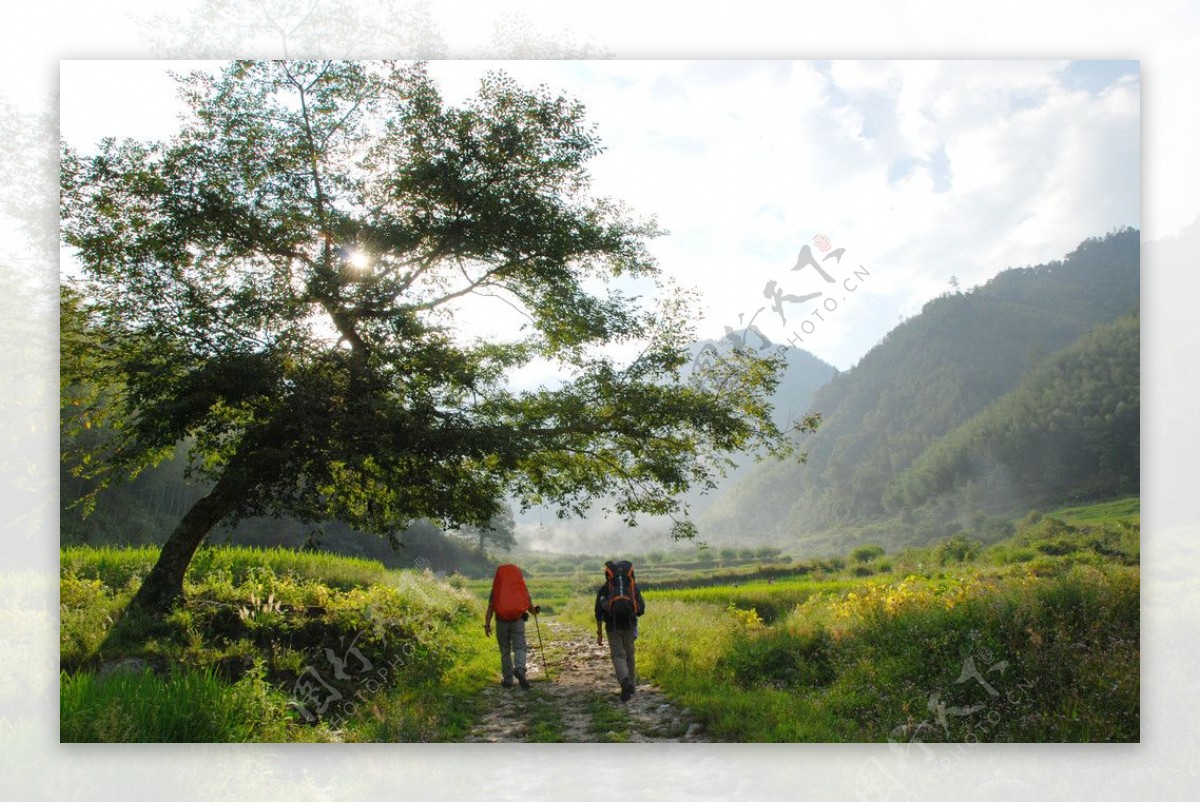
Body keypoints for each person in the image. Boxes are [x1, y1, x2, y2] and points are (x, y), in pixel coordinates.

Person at [595, 559, 646, 701]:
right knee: (629, 655)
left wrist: (599, 633)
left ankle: (625, 681)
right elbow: (641, 609)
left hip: (612, 625)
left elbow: (598, 613)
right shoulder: (632, 587)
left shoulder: (605, 588)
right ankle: (632, 688)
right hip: (629, 624)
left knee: (618, 655)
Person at [484, 563, 539, 689]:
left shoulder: (496, 588)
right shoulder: (520, 587)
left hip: (501, 622)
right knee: (520, 647)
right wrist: (535, 611)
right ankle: (520, 668)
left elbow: (490, 608)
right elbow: (530, 606)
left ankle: (508, 680)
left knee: (505, 651)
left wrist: (487, 625)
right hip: (518, 621)